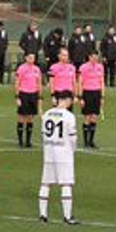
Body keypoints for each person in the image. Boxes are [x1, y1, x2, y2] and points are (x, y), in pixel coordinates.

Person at [39, 91, 80, 225]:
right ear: (67, 100)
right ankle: (67, 216)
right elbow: (73, 137)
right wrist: (73, 149)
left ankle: (43, 215)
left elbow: (43, 134)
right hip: (64, 153)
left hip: (49, 152)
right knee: (66, 183)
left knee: (46, 183)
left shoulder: (46, 114)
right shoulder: (69, 116)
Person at [15, 52, 43, 148]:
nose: (32, 59)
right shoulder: (21, 68)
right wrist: (17, 96)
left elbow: (39, 83)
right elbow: (17, 82)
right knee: (22, 117)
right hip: (24, 94)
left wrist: (40, 96)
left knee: (31, 117)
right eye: (30, 57)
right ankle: (20, 140)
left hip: (33, 94)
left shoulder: (37, 69)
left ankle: (28, 141)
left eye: (33, 57)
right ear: (26, 58)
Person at [79, 50, 106, 148]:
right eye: (93, 57)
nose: (95, 59)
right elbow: (80, 82)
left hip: (96, 92)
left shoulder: (100, 67)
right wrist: (80, 97)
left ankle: (91, 141)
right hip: (87, 92)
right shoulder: (83, 67)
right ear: (89, 57)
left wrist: (102, 96)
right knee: (87, 116)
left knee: (94, 117)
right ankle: (86, 141)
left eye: (96, 57)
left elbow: (102, 81)